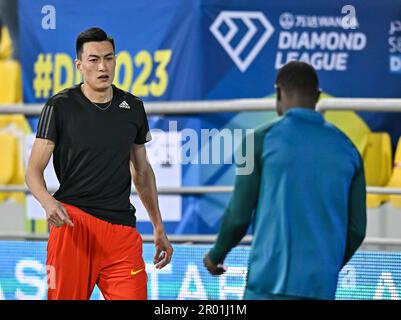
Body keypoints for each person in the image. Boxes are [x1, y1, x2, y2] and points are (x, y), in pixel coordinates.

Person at [25, 27, 173, 300]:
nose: (103, 66)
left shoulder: (133, 107)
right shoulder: (59, 106)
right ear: (79, 65)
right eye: (94, 59)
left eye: (109, 58)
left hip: (121, 234)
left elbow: (142, 172)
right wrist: (47, 202)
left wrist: (158, 227)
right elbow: (33, 170)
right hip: (72, 228)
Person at [203, 61, 367, 300]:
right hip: (320, 287)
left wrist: (216, 254)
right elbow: (357, 229)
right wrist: (325, 269)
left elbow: (238, 215)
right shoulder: (349, 149)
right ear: (318, 96)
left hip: (267, 285)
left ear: (278, 93)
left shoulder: (256, 141)